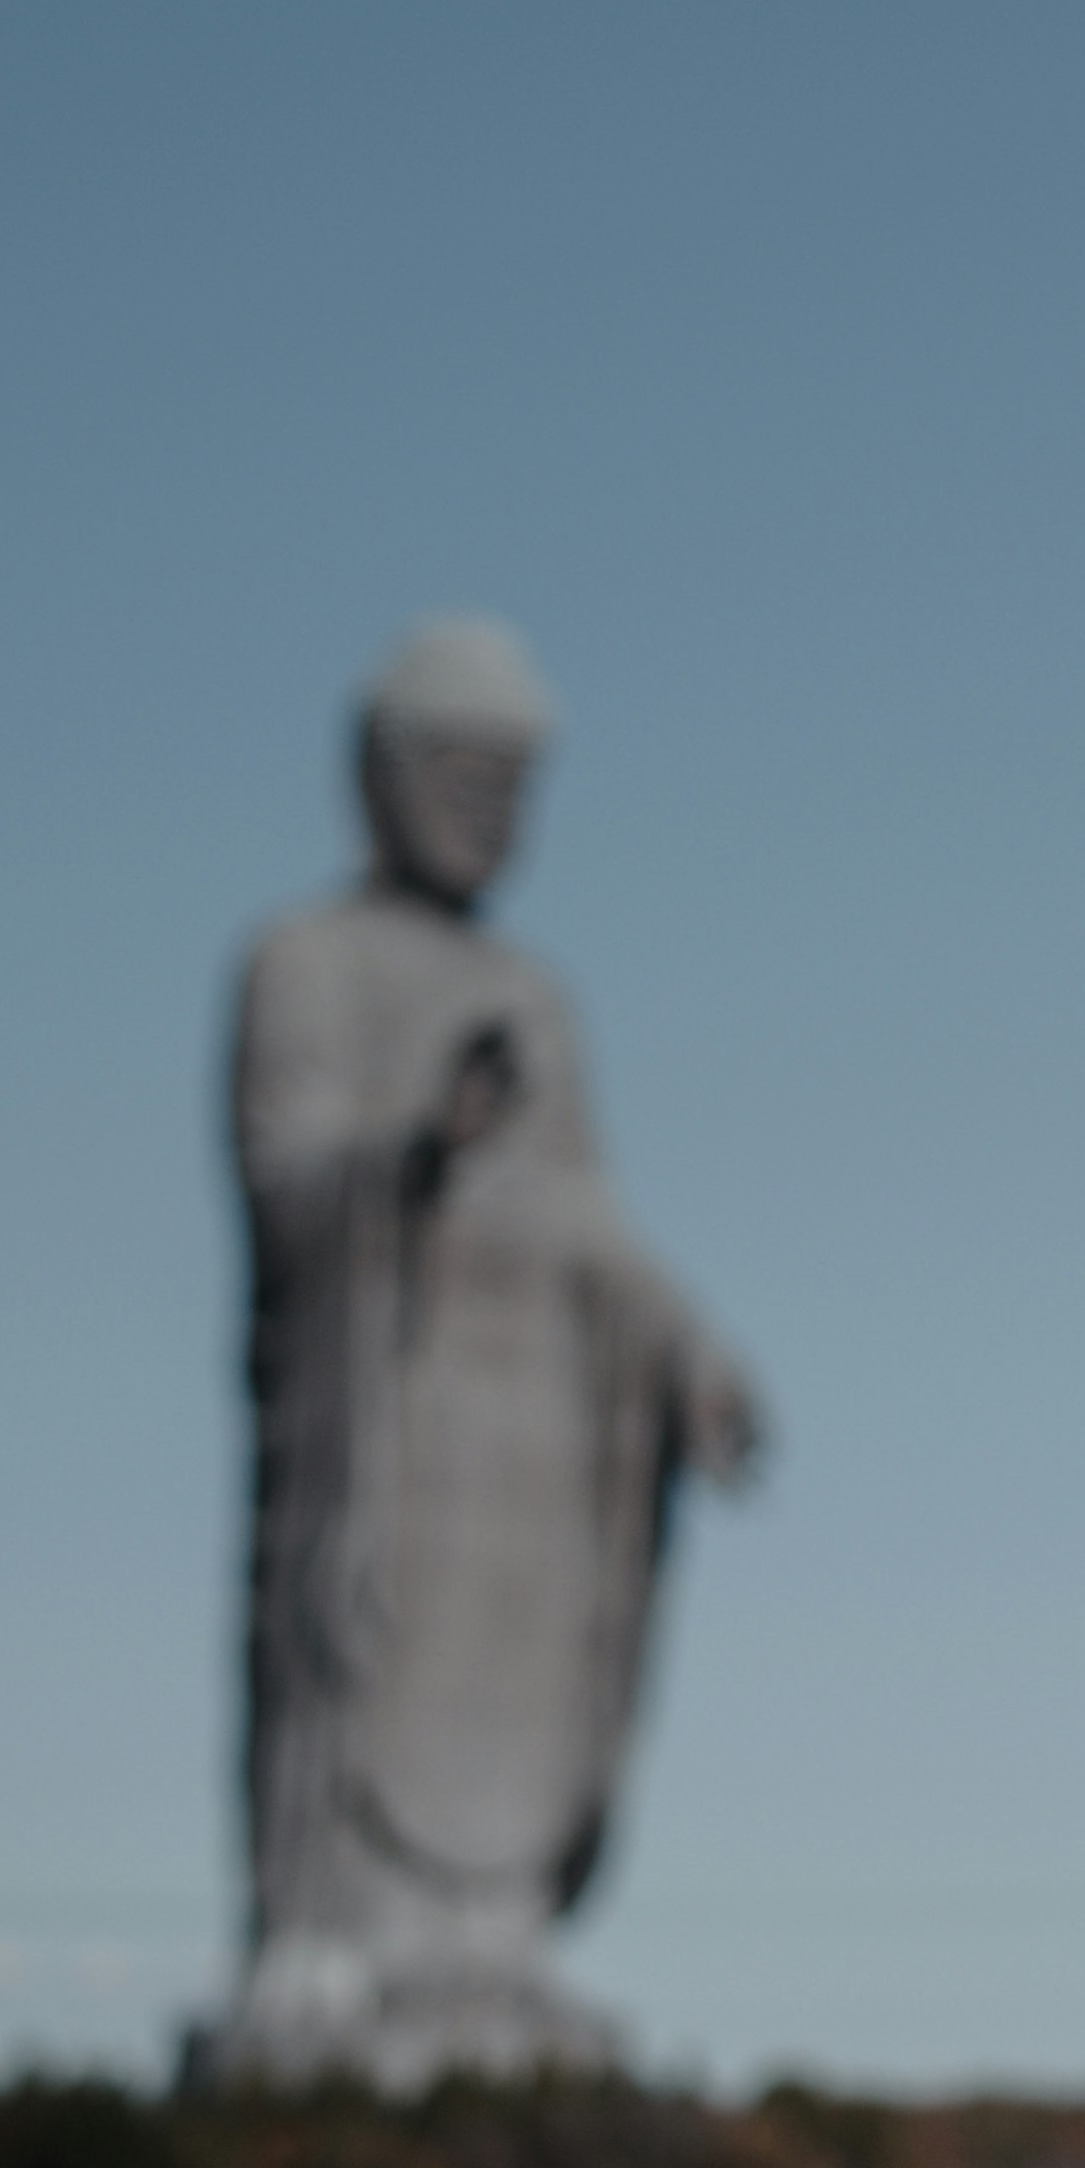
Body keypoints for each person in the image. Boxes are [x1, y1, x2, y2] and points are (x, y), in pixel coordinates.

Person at [206, 614, 762, 2087]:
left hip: (534, 1455)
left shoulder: (538, 1003)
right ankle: (332, 1937)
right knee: (362, 1653)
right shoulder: (304, 962)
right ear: (379, 773)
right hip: (390, 1426)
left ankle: (491, 1944)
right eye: (456, 770)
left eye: (512, 781)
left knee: (526, 1676)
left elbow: (594, 1227)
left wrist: (691, 1353)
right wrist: (417, 1148)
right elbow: (285, 1184)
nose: (484, 808)